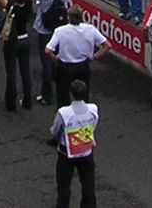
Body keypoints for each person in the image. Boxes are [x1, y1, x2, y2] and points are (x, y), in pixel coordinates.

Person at [50, 78, 99, 208]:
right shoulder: (93, 109)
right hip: (86, 152)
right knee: (88, 186)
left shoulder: (64, 112)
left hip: (66, 153)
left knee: (64, 187)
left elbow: (54, 130)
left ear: (70, 94)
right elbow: (93, 126)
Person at [46, 4, 109, 103]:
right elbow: (107, 45)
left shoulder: (60, 31)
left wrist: (56, 59)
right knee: (82, 95)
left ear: (68, 17)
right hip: (82, 66)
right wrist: (95, 56)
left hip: (64, 67)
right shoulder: (90, 29)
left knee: (63, 97)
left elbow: (47, 50)